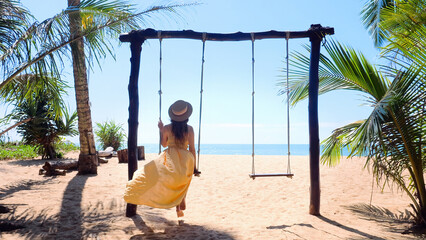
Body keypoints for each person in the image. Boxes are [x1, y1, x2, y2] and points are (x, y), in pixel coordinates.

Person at [124, 100, 199, 218]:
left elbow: (164, 144)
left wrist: (161, 129)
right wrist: (194, 167)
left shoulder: (167, 128)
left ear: (173, 116)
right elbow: (193, 149)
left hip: (170, 156)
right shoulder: (190, 129)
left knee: (170, 180)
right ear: (186, 116)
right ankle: (181, 199)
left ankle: (178, 203)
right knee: (184, 179)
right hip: (185, 158)